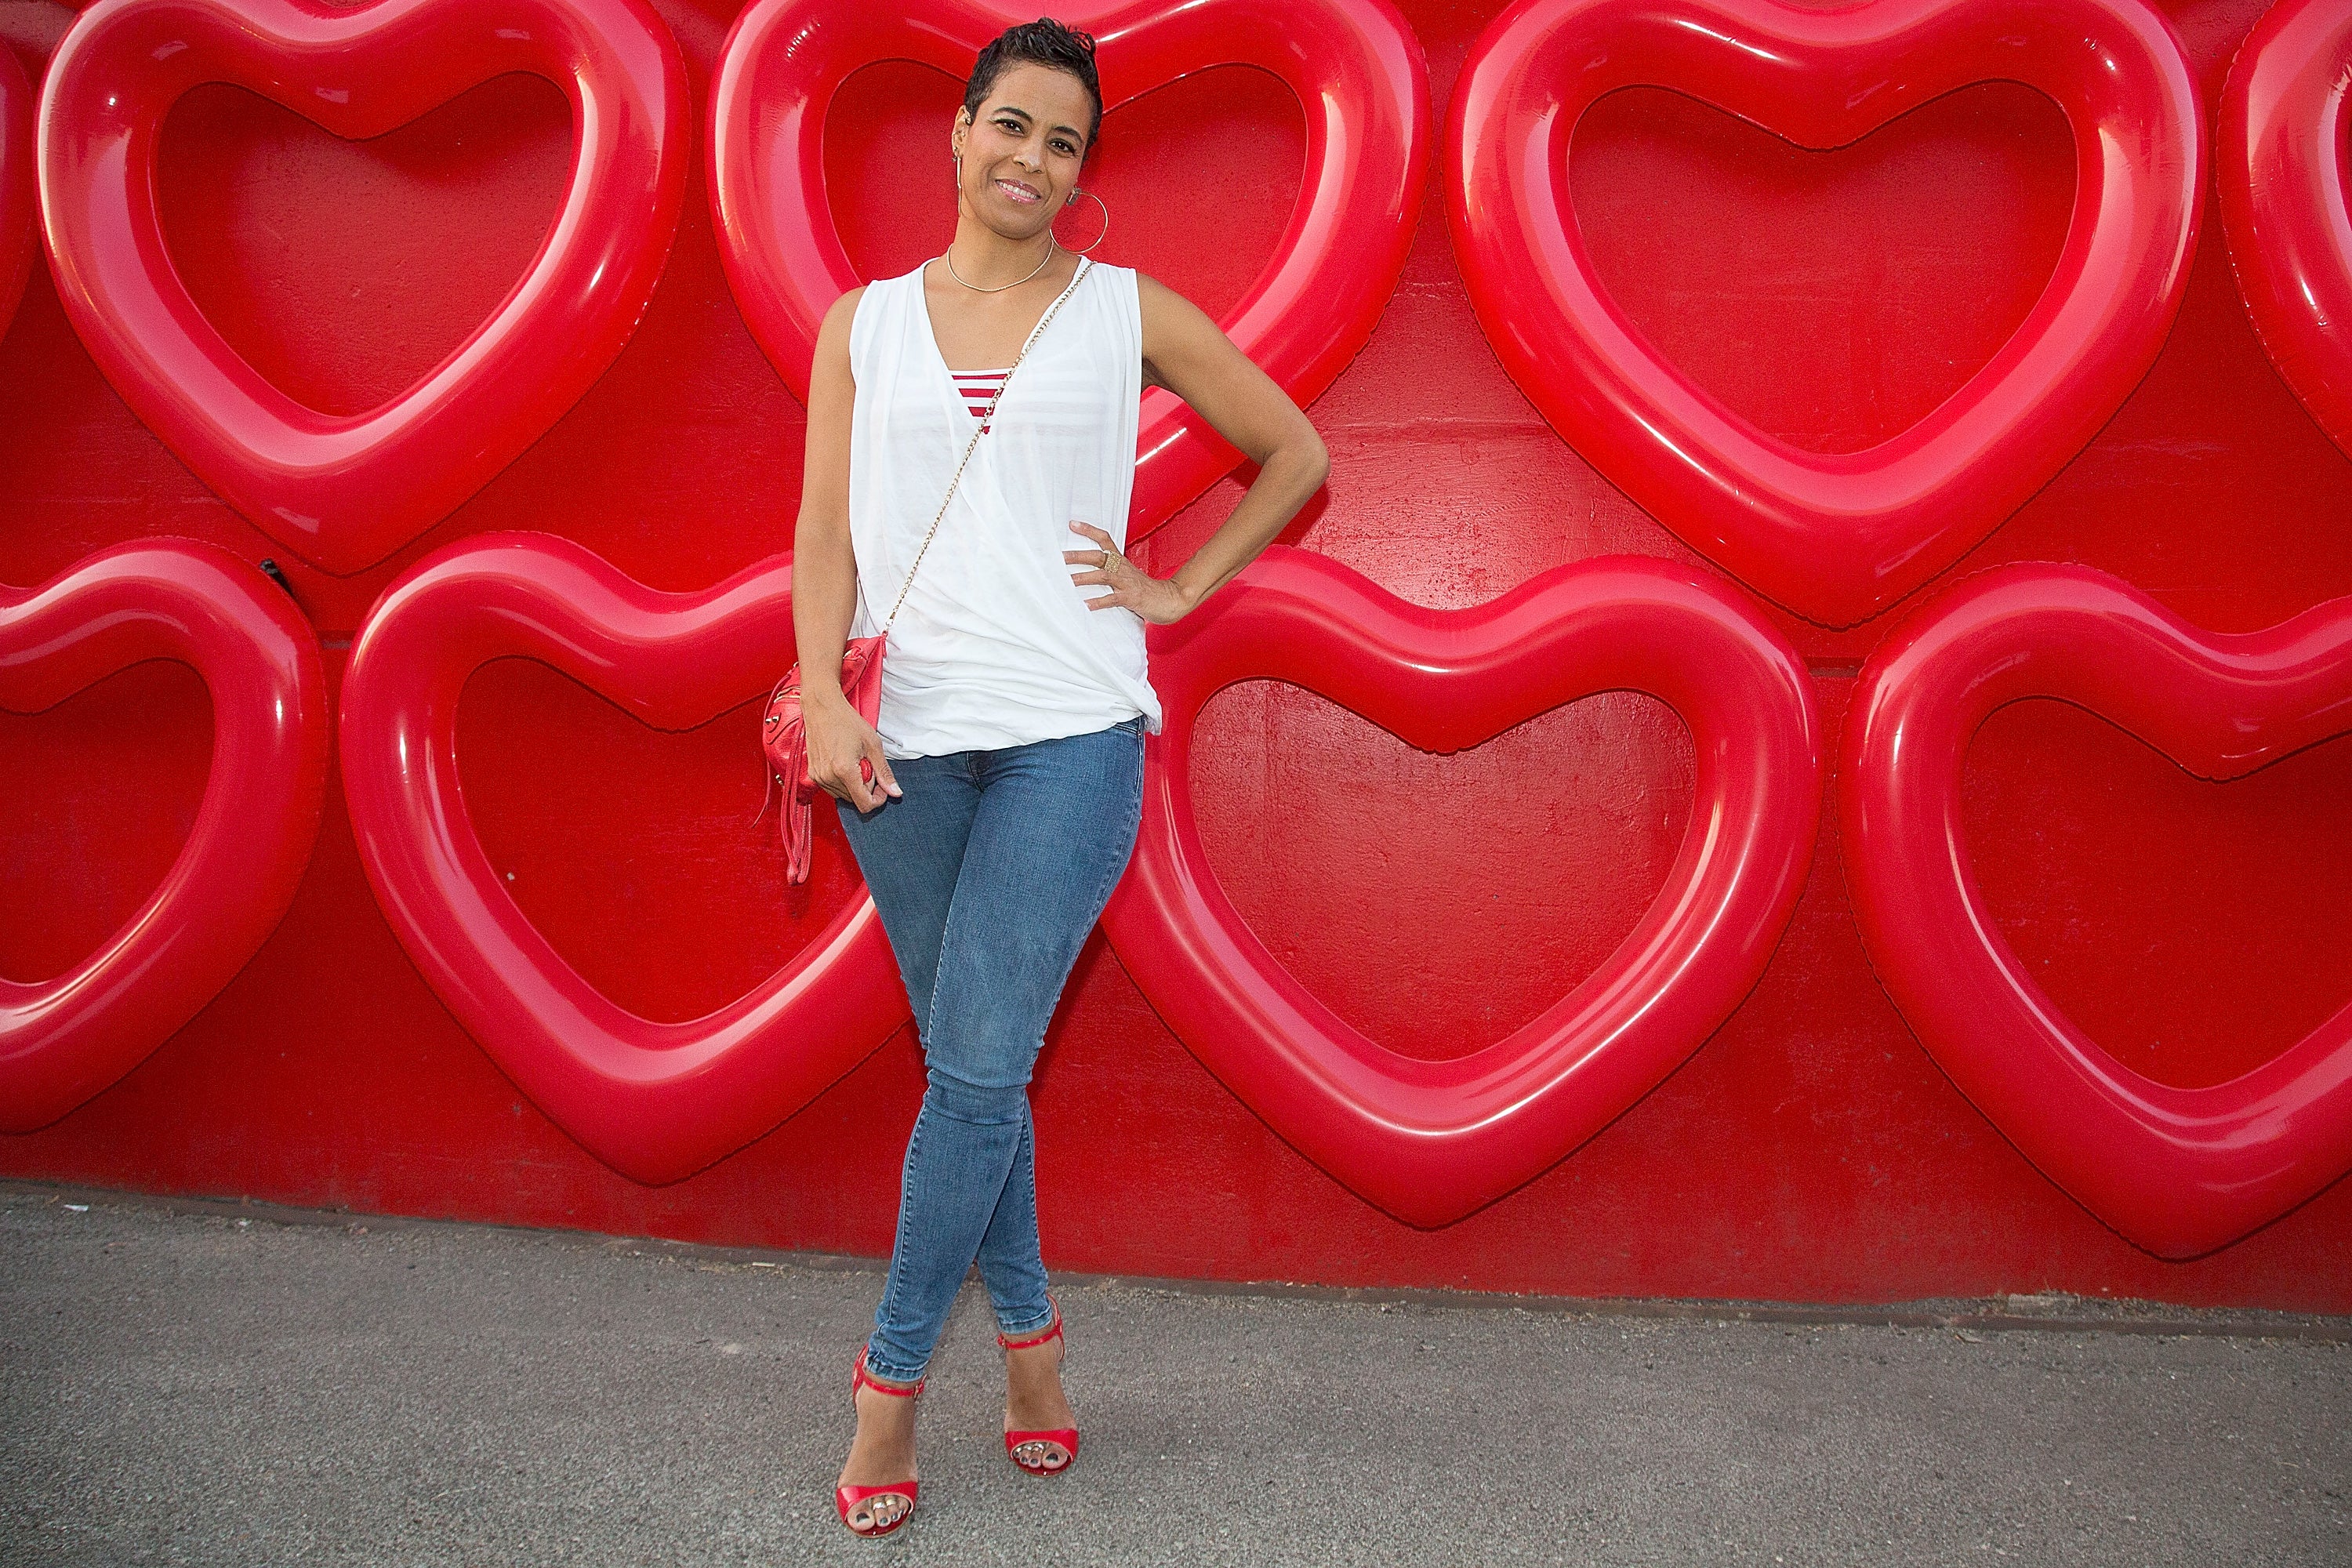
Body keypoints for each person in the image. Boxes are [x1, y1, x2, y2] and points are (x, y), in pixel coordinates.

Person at [789, 15, 1329, 1540]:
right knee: (982, 1068)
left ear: (1083, 172)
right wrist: (821, 694)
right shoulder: (860, 325)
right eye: (1013, 125)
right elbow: (822, 529)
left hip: (1071, 737)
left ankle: (888, 1386)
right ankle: (1030, 1348)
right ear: (960, 136)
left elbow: (1292, 450)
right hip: (898, 752)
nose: (1033, 157)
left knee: (971, 1069)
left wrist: (1179, 587)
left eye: (1065, 141)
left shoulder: (1122, 309)